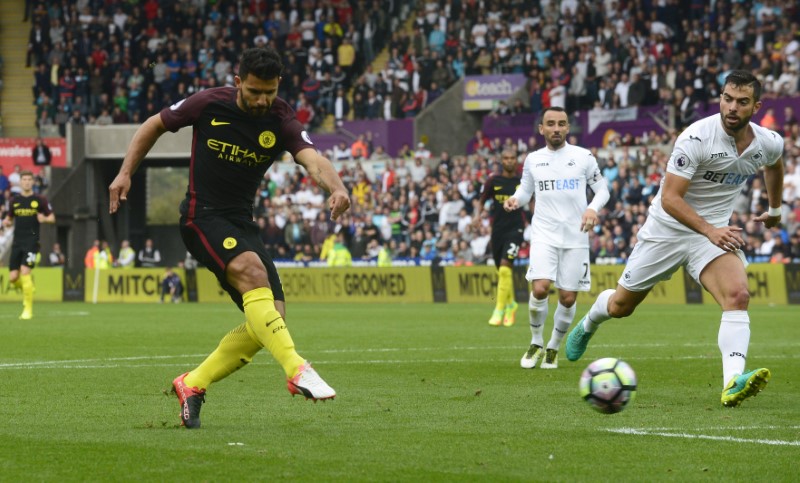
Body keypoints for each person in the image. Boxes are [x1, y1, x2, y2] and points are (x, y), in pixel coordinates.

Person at [108, 47, 351, 429]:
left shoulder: (280, 116)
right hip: (200, 216)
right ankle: (297, 368)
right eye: (254, 91)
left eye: (269, 91)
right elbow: (152, 124)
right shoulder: (208, 103)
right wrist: (125, 173)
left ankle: (192, 383)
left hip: (241, 222)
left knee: (270, 323)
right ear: (238, 82)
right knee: (253, 275)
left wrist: (336, 188)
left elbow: (312, 158)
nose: (262, 100)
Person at [564, 71, 784, 407]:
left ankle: (731, 383)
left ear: (756, 106)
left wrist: (775, 208)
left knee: (738, 294)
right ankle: (591, 319)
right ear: (720, 98)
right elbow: (670, 198)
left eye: (742, 102)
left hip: (711, 235)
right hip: (667, 230)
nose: (732, 107)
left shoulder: (767, 141)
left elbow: (774, 164)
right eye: (727, 98)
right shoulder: (695, 138)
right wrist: (710, 229)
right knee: (621, 307)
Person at [504, 107, 609, 369]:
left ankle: (553, 346)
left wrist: (592, 208)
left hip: (576, 236)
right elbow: (526, 190)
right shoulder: (533, 159)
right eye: (550, 124)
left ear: (568, 128)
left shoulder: (583, 156)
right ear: (541, 129)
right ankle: (536, 341)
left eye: (561, 123)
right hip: (544, 234)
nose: (556, 128)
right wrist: (515, 199)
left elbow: (602, 190)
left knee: (568, 298)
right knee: (539, 287)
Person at [473, 149, 526, 327]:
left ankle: (499, 310)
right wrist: (477, 216)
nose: (509, 161)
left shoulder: (523, 181)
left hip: (516, 228)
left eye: (512, 158)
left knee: (504, 269)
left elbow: (533, 201)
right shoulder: (493, 181)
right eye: (506, 158)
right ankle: (511, 305)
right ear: (501, 161)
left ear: (516, 161)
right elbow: (481, 200)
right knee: (503, 272)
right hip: (497, 230)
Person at [3, 170, 55, 319]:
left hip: (32, 242)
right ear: (20, 182)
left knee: (25, 271)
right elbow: (10, 218)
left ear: (33, 182)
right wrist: (7, 221)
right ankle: (29, 288)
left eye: (28, 179)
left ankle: (28, 310)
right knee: (13, 278)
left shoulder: (40, 200)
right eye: (24, 179)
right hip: (17, 242)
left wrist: (43, 219)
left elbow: (52, 217)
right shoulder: (14, 200)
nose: (26, 182)